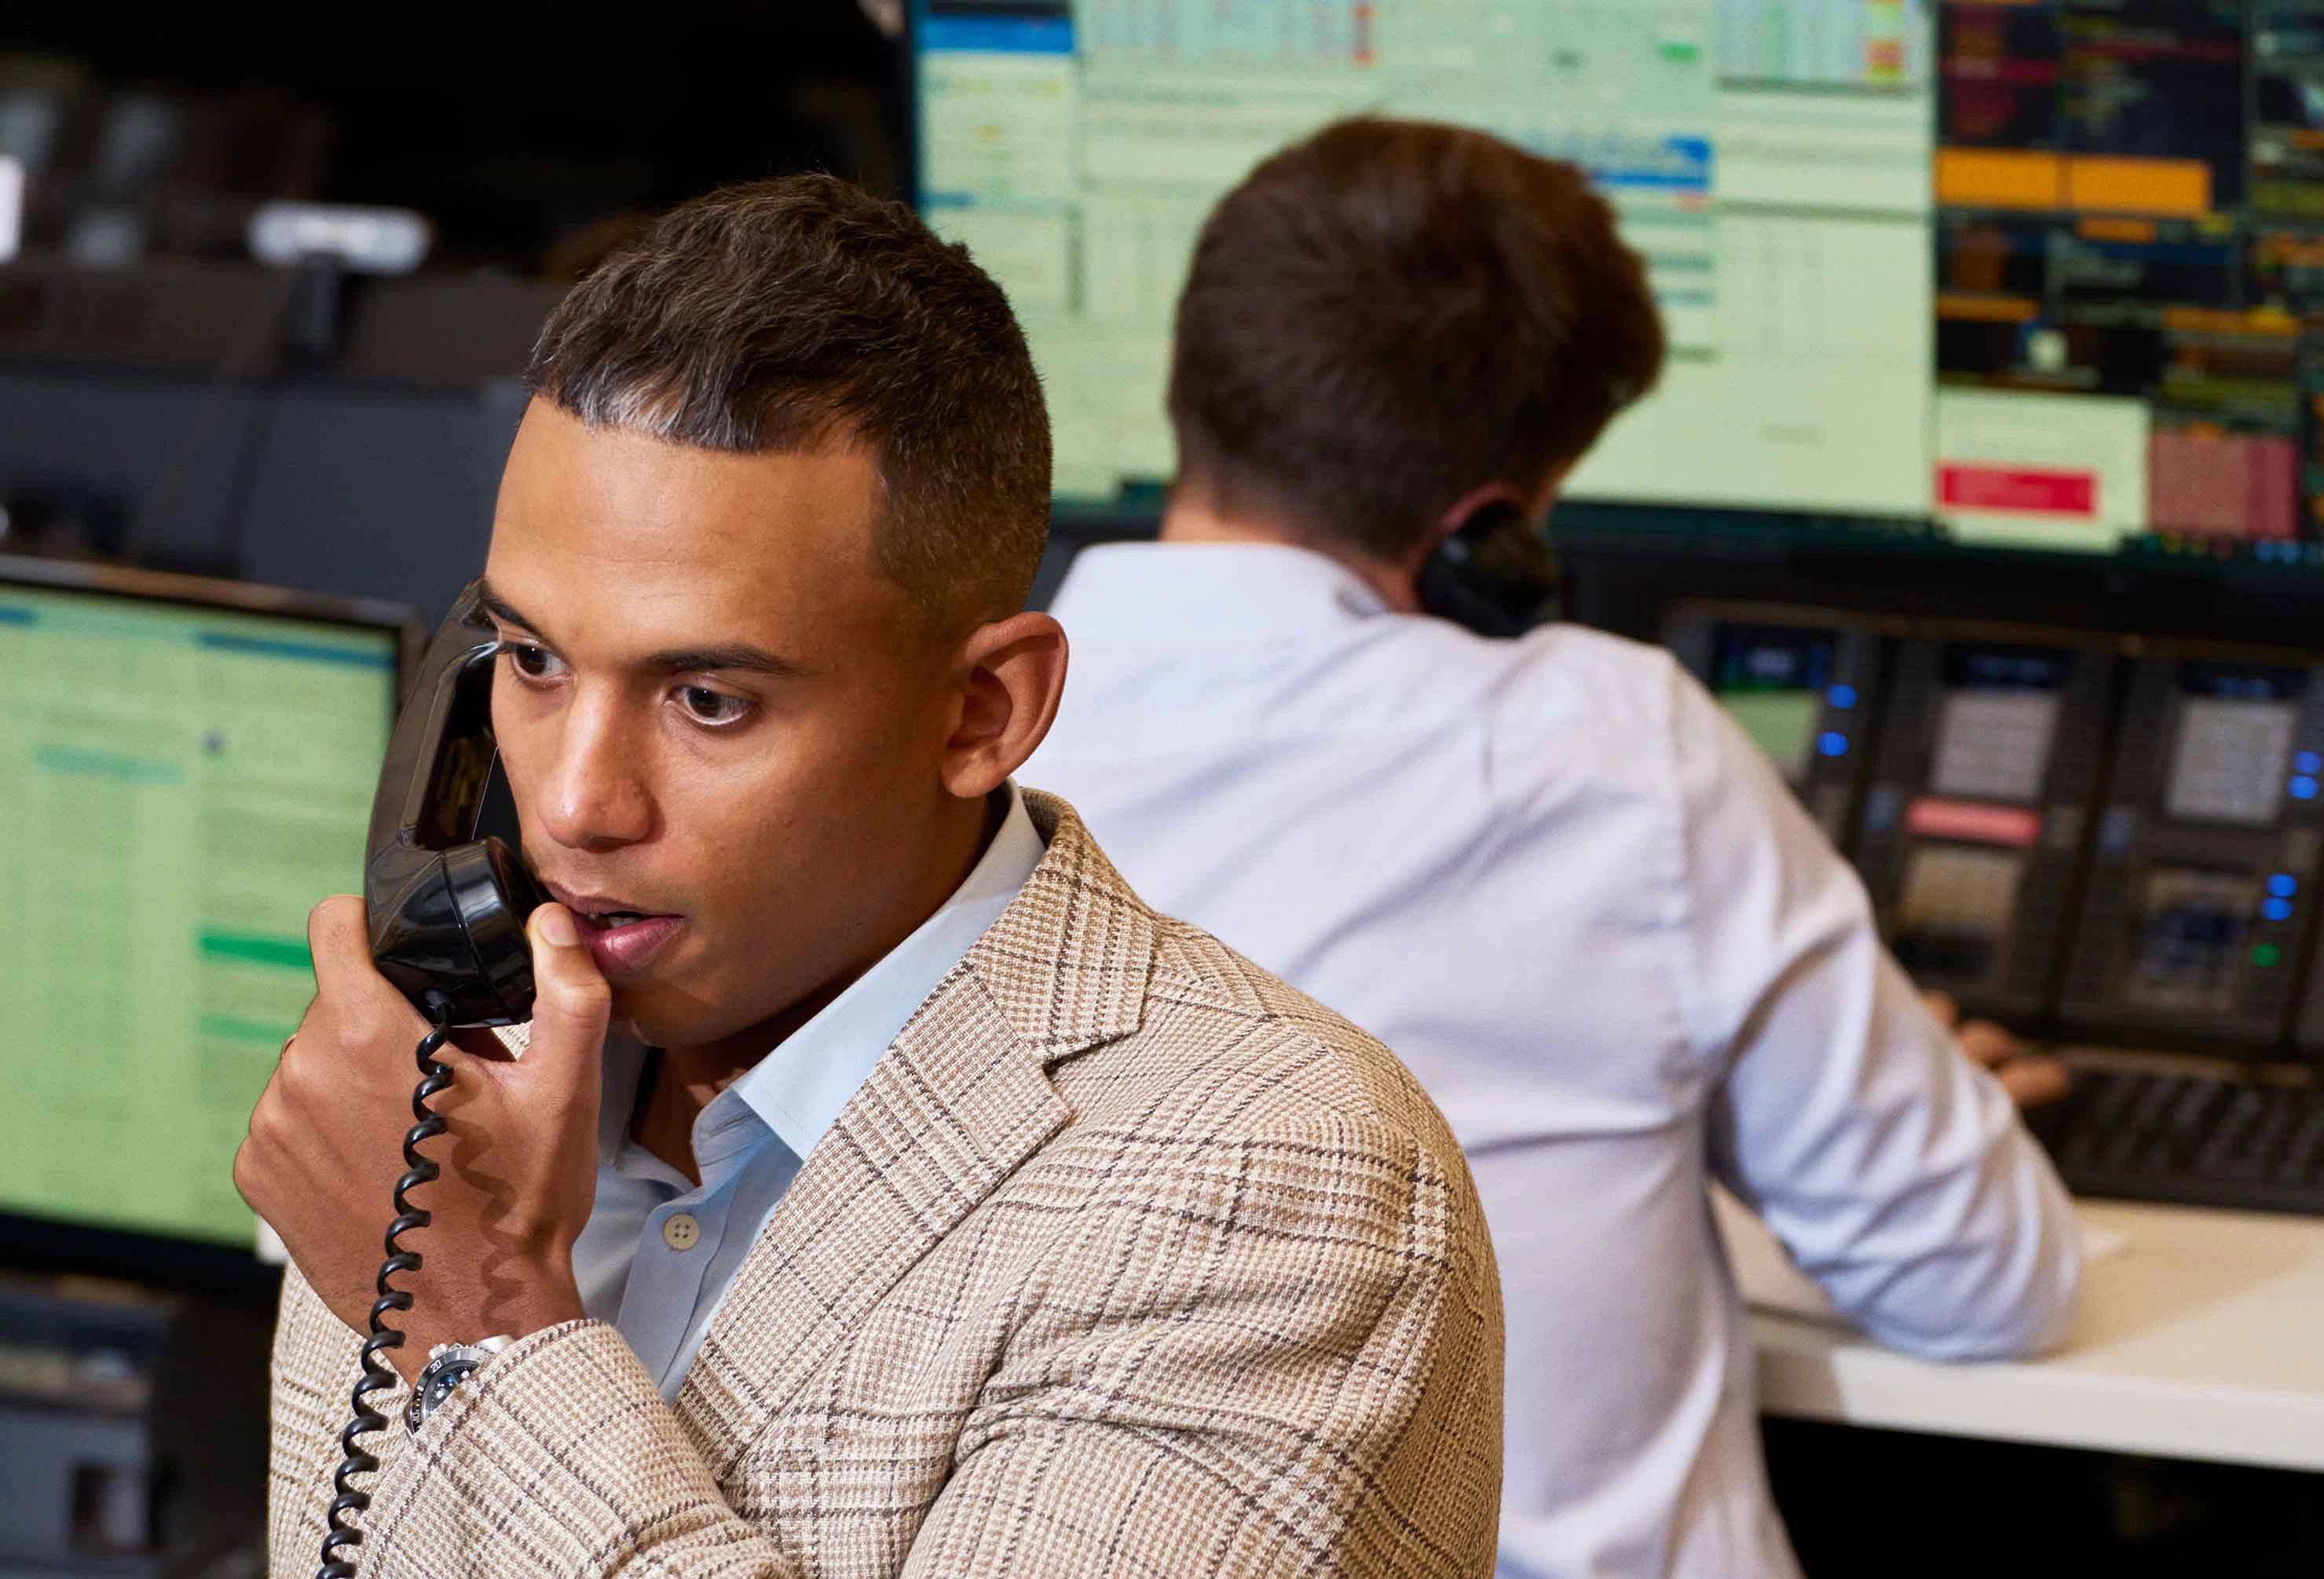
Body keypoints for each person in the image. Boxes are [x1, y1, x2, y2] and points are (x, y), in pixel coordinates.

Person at [233, 173, 1505, 1578]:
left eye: (707, 698)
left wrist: (484, 1321)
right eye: (534, 660)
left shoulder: (1272, 1183)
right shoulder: (433, 1069)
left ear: (982, 713)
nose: (577, 802)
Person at [1023, 117, 2081, 1579]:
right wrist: (1920, 1089)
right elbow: (1986, 1283)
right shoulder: (1610, 744)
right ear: (1487, 526)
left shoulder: (979, 740)